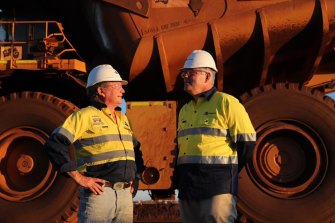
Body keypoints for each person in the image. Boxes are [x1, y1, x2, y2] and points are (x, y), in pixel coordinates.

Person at [44, 64, 144, 223]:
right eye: (117, 86)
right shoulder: (84, 116)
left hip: (125, 196)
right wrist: (79, 178)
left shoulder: (123, 119)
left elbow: (136, 150)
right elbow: (54, 144)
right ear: (101, 91)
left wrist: (136, 177)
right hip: (99, 196)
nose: (123, 91)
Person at [174, 50, 256, 223]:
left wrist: (226, 173)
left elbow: (247, 144)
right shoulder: (185, 110)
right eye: (184, 73)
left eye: (191, 73)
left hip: (217, 188)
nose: (185, 77)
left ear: (207, 76)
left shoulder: (227, 103)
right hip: (188, 189)